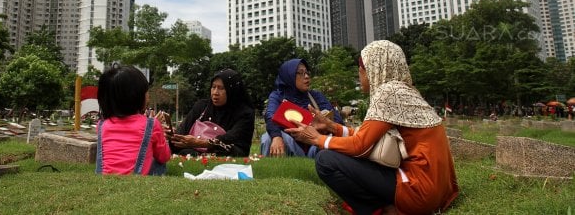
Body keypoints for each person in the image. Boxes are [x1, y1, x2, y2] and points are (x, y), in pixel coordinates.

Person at [286, 40, 458, 215]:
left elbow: (360, 145)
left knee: (325, 160)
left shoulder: (387, 92)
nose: (359, 73)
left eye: (361, 68)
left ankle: (380, 210)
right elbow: (368, 134)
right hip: (438, 188)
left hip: (418, 192)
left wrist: (317, 139)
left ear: (373, 68)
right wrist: (332, 126)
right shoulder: (405, 91)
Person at [95, 64, 170, 175]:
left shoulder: (102, 125)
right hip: (139, 179)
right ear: (137, 96)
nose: (148, 96)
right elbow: (164, 157)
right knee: (160, 163)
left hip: (104, 178)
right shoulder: (152, 124)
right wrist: (162, 137)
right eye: (146, 92)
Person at [261, 58, 343, 158]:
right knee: (268, 138)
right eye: (301, 73)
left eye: (307, 72)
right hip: (293, 146)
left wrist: (322, 124)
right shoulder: (277, 97)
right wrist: (276, 137)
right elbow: (270, 117)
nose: (307, 77)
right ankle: (273, 171)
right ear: (289, 76)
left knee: (330, 139)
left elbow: (337, 120)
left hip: (315, 145)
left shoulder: (316, 96)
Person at [168, 68, 255, 157]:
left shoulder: (245, 113)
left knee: (226, 151)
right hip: (193, 149)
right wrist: (172, 135)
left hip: (226, 150)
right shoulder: (202, 106)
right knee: (175, 145)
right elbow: (183, 130)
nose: (215, 92)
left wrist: (201, 143)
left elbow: (231, 138)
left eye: (221, 88)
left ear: (232, 90)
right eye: (213, 87)